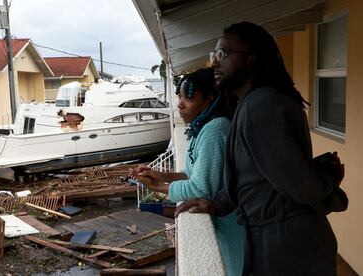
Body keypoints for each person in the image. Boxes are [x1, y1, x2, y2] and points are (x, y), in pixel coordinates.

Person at [175, 22, 346, 276]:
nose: (214, 63)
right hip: (278, 241)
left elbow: (302, 186)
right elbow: (254, 178)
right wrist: (217, 202)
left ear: (250, 60)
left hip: (289, 250)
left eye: (223, 54)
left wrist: (328, 181)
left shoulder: (261, 108)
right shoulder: (254, 103)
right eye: (214, 55)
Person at [132, 67, 245, 276]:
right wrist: (160, 175)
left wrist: (158, 187)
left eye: (189, 98)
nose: (180, 104)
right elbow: (193, 172)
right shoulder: (202, 127)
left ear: (208, 100)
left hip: (232, 226)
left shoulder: (215, 129)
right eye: (180, 97)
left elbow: (200, 188)